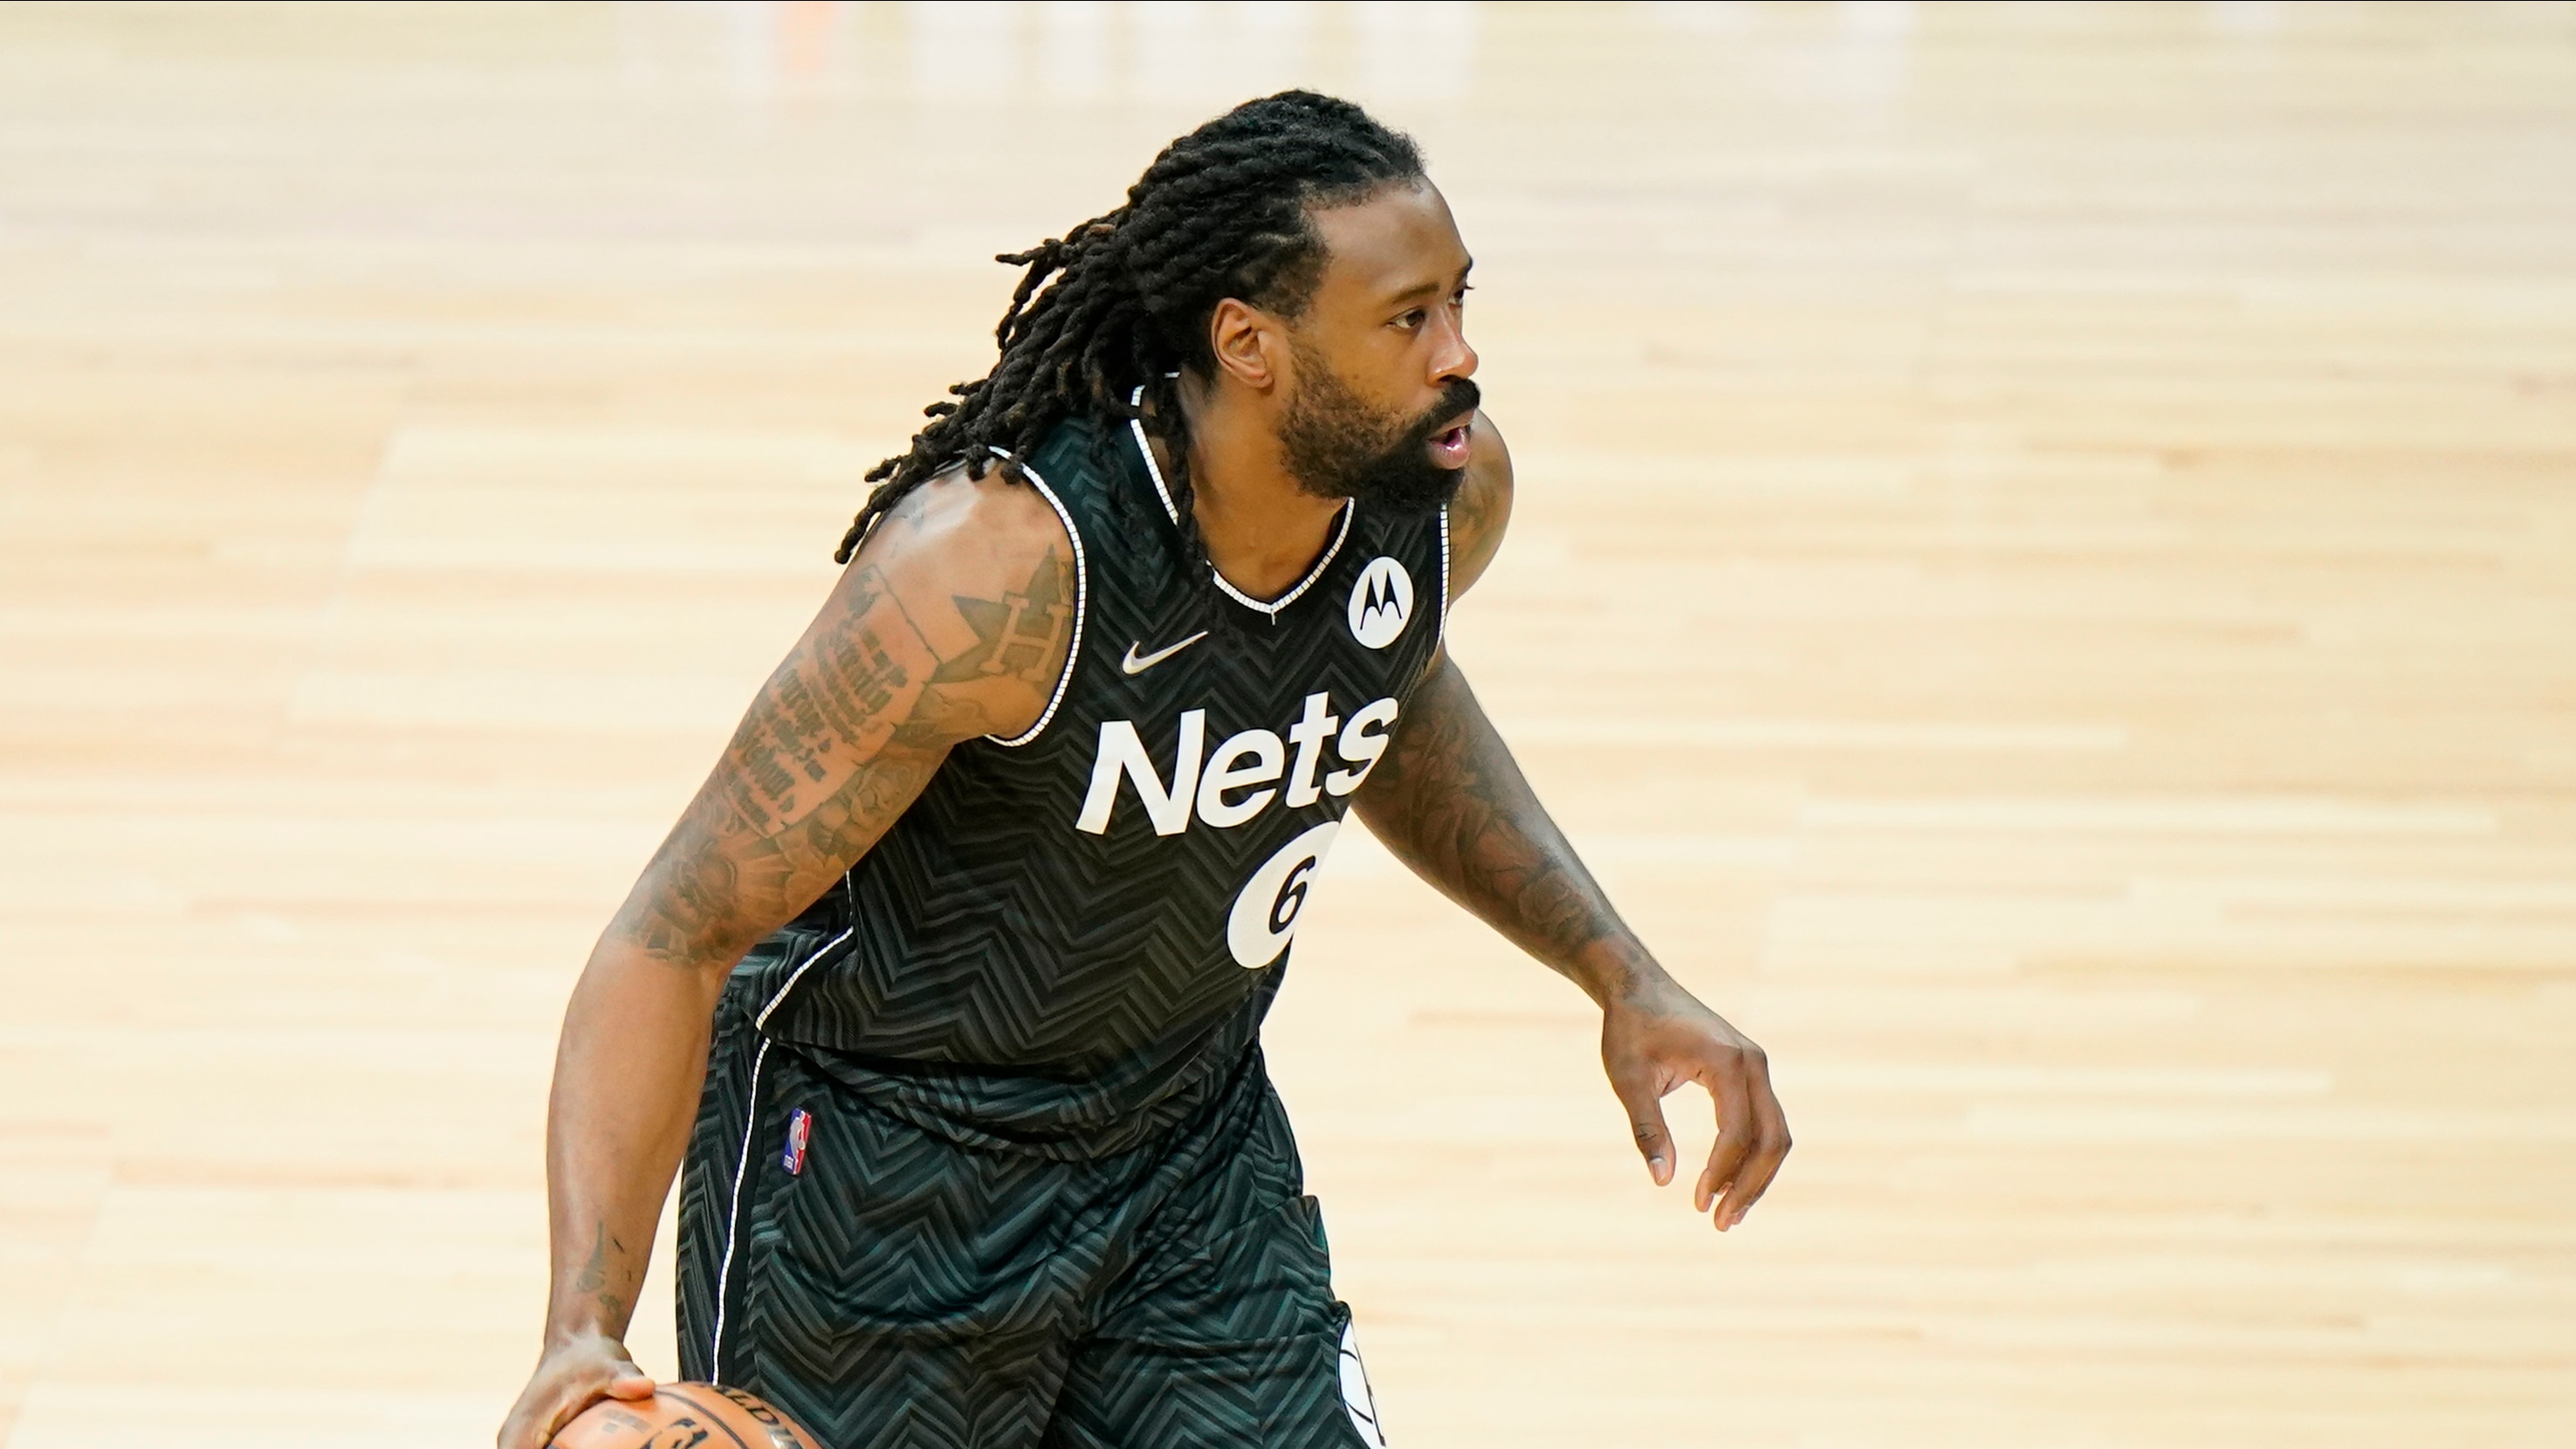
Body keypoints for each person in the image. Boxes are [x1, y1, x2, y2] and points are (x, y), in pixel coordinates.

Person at [497, 91, 1789, 1449]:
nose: (1460, 357)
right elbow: (675, 930)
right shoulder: (998, 574)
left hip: (1187, 1146)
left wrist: (1619, 970)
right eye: (1409, 319)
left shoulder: (1442, 501)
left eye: (1461, 303)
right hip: (889, 1184)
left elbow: (1381, 698)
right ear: (1252, 346)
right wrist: (583, 1328)